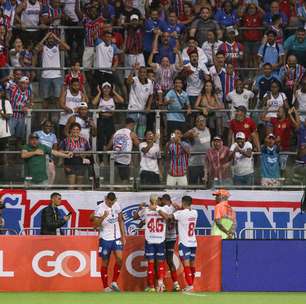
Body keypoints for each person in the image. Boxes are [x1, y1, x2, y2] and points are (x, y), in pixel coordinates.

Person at [159, 195, 198, 292]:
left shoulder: (180, 213)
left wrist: (158, 210)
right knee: (192, 264)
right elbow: (183, 210)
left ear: (183, 202)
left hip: (184, 243)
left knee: (186, 265)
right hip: (193, 242)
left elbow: (168, 217)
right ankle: (191, 284)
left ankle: (189, 285)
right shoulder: (195, 212)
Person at [91, 192, 125, 292]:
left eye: (112, 202)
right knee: (105, 262)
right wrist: (103, 217)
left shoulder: (117, 205)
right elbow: (95, 226)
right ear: (106, 199)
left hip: (117, 237)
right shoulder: (100, 208)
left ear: (115, 200)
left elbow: (121, 220)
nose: (110, 204)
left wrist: (123, 235)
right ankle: (106, 287)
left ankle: (114, 282)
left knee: (119, 259)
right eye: (109, 202)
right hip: (105, 238)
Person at [134, 194, 169, 292]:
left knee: (151, 263)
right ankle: (160, 285)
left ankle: (152, 286)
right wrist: (156, 210)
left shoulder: (146, 210)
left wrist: (139, 208)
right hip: (160, 239)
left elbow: (135, 217)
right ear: (157, 201)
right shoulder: (163, 209)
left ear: (149, 201)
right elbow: (167, 218)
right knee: (160, 263)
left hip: (150, 240)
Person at [35, 32, 70, 110]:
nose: (51, 40)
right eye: (49, 38)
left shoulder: (57, 47)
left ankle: (58, 117)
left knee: (58, 98)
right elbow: (36, 49)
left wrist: (57, 38)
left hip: (57, 75)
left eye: (52, 38)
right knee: (45, 99)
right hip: (45, 76)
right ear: (47, 40)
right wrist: (45, 36)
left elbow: (67, 48)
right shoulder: (43, 47)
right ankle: (45, 119)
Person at [92, 82, 124, 156]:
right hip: (101, 120)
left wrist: (114, 92)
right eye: (104, 88)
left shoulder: (113, 98)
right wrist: (99, 93)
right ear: (102, 89)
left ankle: (110, 158)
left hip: (110, 120)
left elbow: (122, 100)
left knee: (111, 139)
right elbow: (94, 103)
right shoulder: (100, 98)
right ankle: (101, 160)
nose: (106, 89)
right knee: (100, 140)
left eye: (108, 88)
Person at [107, 118, 140, 183]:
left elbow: (108, 146)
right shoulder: (131, 133)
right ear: (132, 125)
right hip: (124, 159)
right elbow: (139, 145)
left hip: (114, 158)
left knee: (115, 180)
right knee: (124, 180)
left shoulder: (116, 132)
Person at [59, 122, 91, 187]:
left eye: (77, 129)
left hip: (81, 163)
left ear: (80, 130)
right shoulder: (65, 140)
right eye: (73, 129)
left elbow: (89, 152)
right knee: (71, 185)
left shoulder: (84, 140)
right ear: (70, 130)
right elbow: (60, 152)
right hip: (69, 162)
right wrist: (67, 153)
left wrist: (84, 154)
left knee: (79, 186)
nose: (75, 131)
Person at [159, 194, 180, 292]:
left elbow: (171, 219)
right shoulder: (174, 208)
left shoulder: (169, 209)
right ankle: (172, 284)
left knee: (165, 260)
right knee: (166, 260)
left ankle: (173, 284)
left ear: (165, 200)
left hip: (166, 237)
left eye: (162, 200)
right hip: (167, 237)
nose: (161, 202)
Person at [126, 66, 153, 139]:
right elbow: (128, 81)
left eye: (144, 72)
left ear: (146, 74)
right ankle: (130, 149)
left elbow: (151, 95)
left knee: (141, 134)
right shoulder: (135, 79)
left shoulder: (150, 82)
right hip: (132, 110)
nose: (142, 74)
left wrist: (148, 106)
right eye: (140, 72)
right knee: (130, 133)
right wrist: (132, 71)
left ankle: (139, 149)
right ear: (138, 73)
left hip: (142, 112)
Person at [184, 115, 211, 185]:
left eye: (202, 121)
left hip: (205, 164)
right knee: (193, 185)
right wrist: (190, 134)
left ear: (205, 122)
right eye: (198, 121)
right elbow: (184, 136)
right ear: (196, 123)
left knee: (205, 186)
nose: (201, 123)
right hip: (194, 164)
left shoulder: (208, 129)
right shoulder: (193, 130)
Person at [34, 120, 58, 185]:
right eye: (47, 126)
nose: (48, 127)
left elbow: (55, 147)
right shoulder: (37, 133)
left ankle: (48, 189)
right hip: (39, 157)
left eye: (50, 126)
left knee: (52, 173)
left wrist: (52, 156)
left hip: (49, 157)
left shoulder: (53, 136)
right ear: (43, 126)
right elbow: (33, 144)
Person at [0, 84, 12, 165]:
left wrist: (1, 111)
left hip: (3, 133)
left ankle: (5, 171)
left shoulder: (6, 102)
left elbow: (8, 116)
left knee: (3, 154)